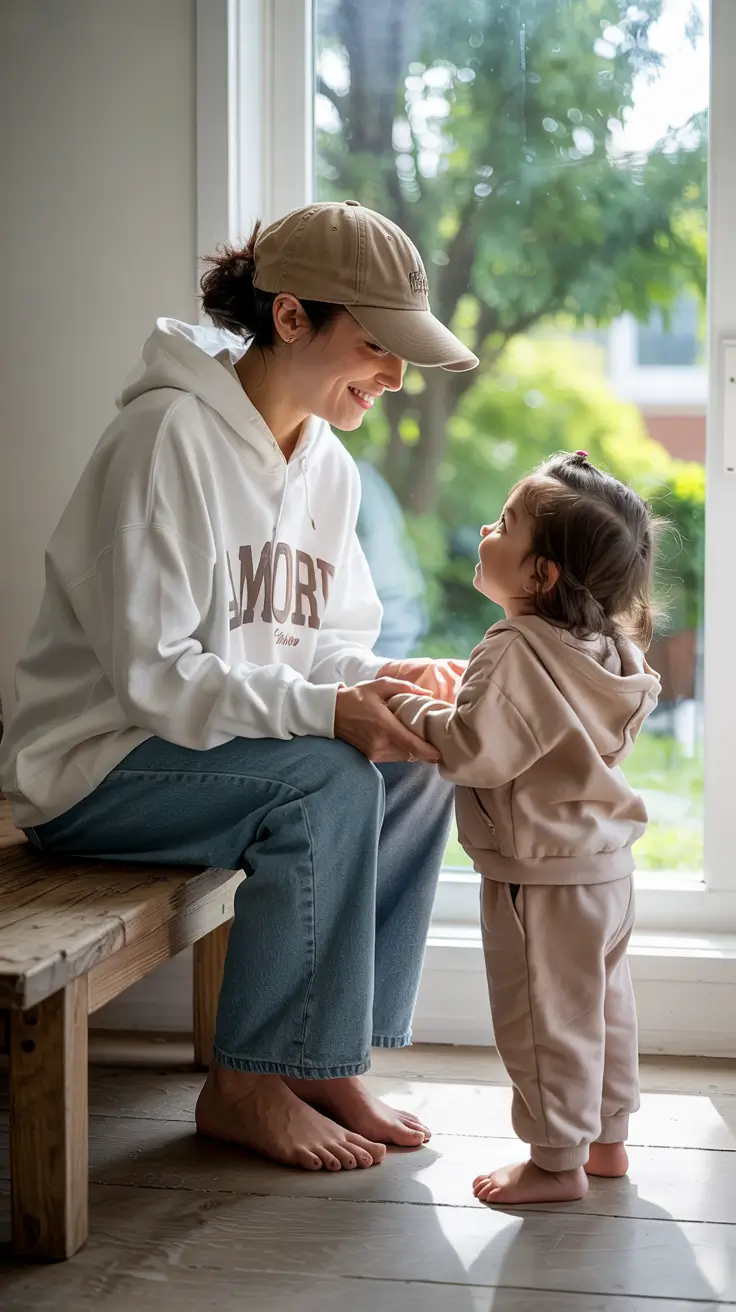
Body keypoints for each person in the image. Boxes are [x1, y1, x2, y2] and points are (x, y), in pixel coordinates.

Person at [0, 200, 478, 1172]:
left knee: (420, 767)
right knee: (331, 780)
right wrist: (328, 711)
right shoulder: (163, 437)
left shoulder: (329, 471)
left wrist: (382, 684)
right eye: (379, 346)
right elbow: (155, 677)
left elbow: (325, 651)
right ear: (293, 316)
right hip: (99, 768)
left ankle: (323, 1057)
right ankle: (247, 1083)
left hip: (214, 757)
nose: (394, 376)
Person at [389, 451, 661, 1205]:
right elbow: (545, 724)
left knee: (544, 1022)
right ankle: (606, 1144)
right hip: (605, 868)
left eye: (504, 523)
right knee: (603, 1009)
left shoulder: (511, 647)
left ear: (540, 575)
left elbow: (473, 748)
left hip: (537, 877)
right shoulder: (608, 646)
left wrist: (412, 708)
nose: (486, 528)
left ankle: (553, 1164)